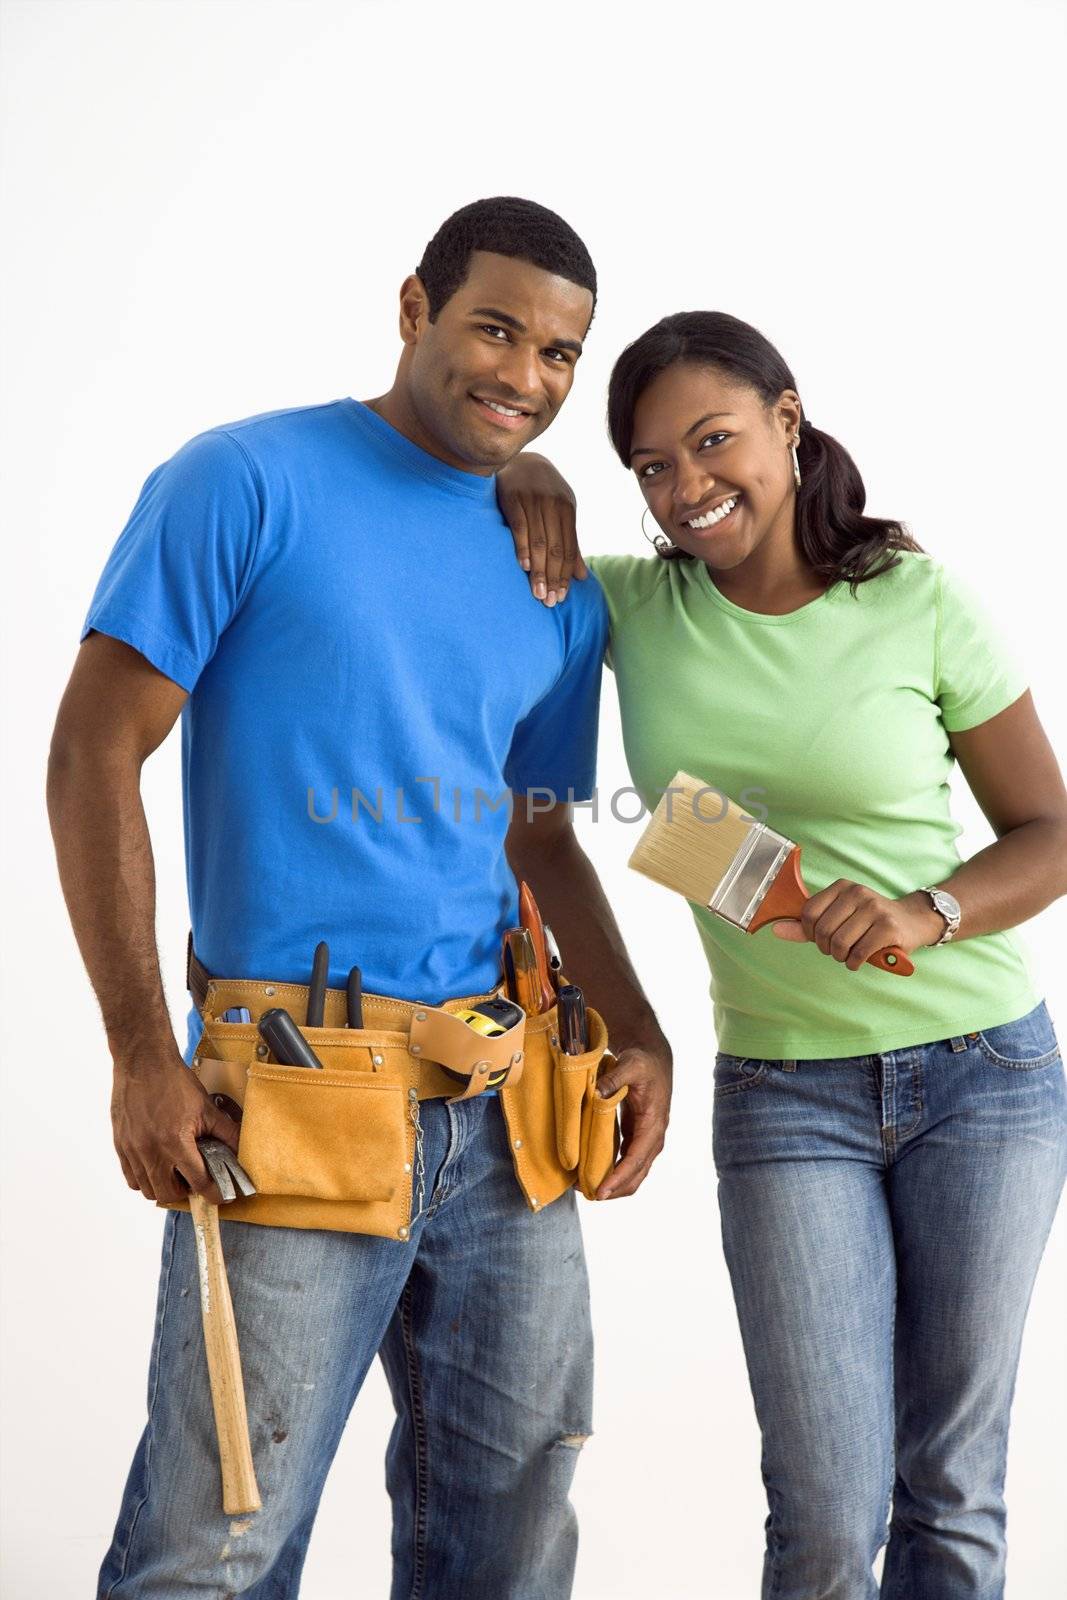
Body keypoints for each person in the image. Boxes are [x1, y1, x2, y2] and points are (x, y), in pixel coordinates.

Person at [46, 196, 672, 1599]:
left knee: (509, 1544)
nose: (525, 375)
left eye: (560, 353)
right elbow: (94, 748)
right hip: (290, 1095)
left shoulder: (553, 576)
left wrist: (642, 1027)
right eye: (495, 328)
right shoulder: (244, 482)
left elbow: (541, 838)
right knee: (212, 1548)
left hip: (508, 1122)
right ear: (414, 308)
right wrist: (141, 1053)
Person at [498, 310, 1067, 1599]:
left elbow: (1051, 830)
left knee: (951, 1497)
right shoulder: (628, 607)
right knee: (823, 1514)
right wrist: (529, 471)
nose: (688, 486)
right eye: (651, 466)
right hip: (785, 1091)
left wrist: (929, 910)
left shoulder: (917, 600)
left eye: (713, 442)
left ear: (788, 421)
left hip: (986, 1074)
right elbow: (606, 826)